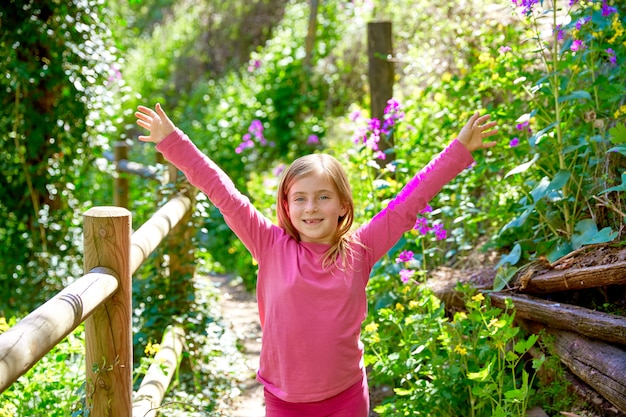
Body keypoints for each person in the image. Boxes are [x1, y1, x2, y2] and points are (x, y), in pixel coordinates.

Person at [135, 103, 498, 417]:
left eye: (323, 197)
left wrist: (458, 151)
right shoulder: (269, 244)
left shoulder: (361, 248)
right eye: (301, 199)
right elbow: (222, 192)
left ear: (343, 205)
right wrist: (173, 143)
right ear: (286, 206)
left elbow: (408, 203)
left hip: (347, 397)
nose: (311, 208)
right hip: (284, 400)